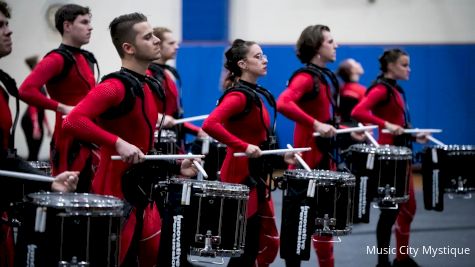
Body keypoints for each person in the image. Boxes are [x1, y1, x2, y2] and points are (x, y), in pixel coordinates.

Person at [63, 12, 198, 267]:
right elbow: (71, 121)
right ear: (129, 47)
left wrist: (176, 165)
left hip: (142, 195)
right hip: (115, 197)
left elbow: (143, 150)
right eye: (148, 37)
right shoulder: (114, 86)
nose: (157, 40)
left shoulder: (147, 86)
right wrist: (116, 141)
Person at [202, 39, 297, 267]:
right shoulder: (239, 96)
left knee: (254, 245)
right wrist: (242, 146)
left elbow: (258, 142)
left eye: (263, 55)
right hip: (239, 177)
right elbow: (210, 124)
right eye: (258, 56)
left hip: (254, 175)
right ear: (243, 64)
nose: (264, 60)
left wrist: (280, 157)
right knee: (246, 247)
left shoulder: (252, 93)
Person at [0, 2, 78, 266]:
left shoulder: (3, 85)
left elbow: (5, 156)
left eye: (7, 24)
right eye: (0, 26)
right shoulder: (56, 61)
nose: (9, 31)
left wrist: (49, 182)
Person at [352, 48, 426, 267]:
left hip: (400, 155)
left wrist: (414, 133)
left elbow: (398, 122)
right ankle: (382, 261)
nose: (408, 69)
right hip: (389, 158)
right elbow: (358, 111)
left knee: (408, 207)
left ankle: (401, 258)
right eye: (404, 64)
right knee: (390, 212)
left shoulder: (395, 90)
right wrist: (385, 125)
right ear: (391, 66)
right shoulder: (381, 90)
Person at [276, 24, 340, 267]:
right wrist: (315, 123)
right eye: (330, 41)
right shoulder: (306, 77)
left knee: (325, 230)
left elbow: (326, 119)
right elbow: (283, 103)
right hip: (306, 168)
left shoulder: (325, 78)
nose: (336, 45)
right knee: (298, 236)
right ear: (316, 47)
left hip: (324, 163)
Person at [19, 4, 98, 192]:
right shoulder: (57, 59)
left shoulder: (85, 58)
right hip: (70, 140)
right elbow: (25, 90)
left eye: (90, 22)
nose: (90, 27)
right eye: (84, 22)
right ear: (67, 26)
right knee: (71, 196)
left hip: (89, 136)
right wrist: (62, 107)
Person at [148, 27, 207, 154]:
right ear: (157, 44)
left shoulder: (167, 74)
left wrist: (197, 131)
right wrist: (158, 118)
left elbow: (174, 117)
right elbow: (144, 110)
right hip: (155, 143)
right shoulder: (148, 75)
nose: (177, 47)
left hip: (173, 138)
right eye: (171, 43)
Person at [20, 56, 52, 161]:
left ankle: (32, 174)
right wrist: (35, 126)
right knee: (33, 151)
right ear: (35, 67)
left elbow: (41, 107)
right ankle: (30, 176)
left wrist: (47, 127)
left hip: (35, 119)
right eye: (40, 64)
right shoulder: (35, 82)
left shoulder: (40, 82)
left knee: (35, 151)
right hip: (30, 120)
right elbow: (33, 105)